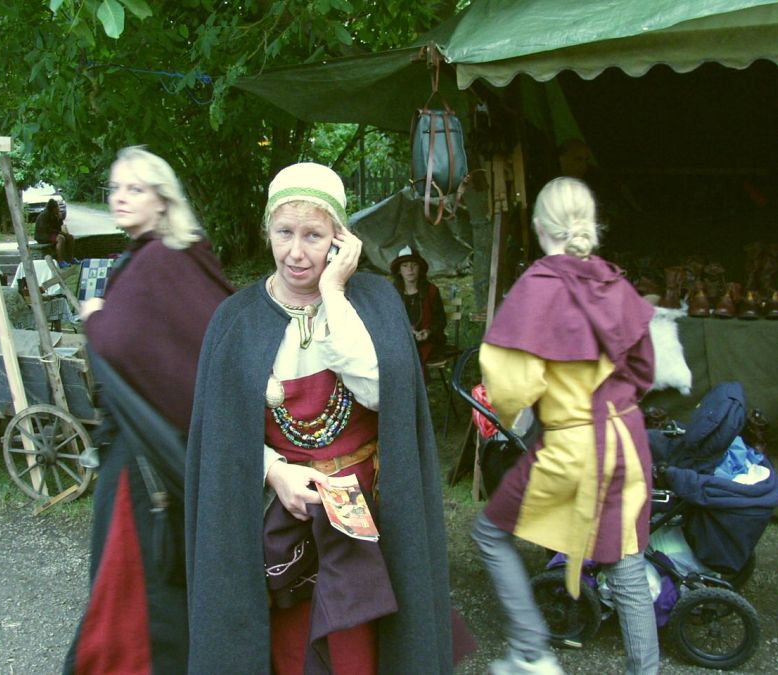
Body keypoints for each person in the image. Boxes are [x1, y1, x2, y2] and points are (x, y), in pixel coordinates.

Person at [185, 162, 456, 673]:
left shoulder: (373, 302)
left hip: (366, 514)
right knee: (292, 649)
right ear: (267, 231)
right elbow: (219, 435)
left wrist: (333, 292)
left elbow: (382, 395)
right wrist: (274, 471)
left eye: (313, 235)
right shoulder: (236, 321)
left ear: (340, 239)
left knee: (361, 650)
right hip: (284, 514)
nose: (296, 251)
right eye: (284, 232)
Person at [471, 177, 659, 675]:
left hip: (573, 444)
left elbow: (511, 386)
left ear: (539, 227)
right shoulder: (614, 283)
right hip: (628, 439)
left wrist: (516, 415)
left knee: (489, 533)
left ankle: (531, 652)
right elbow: (644, 370)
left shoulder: (538, 287)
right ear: (589, 224)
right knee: (626, 561)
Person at [63, 147, 233, 674]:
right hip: (163, 446)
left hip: (145, 457)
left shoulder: (159, 261)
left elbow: (122, 343)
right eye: (115, 188)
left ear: (162, 200)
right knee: (161, 576)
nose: (120, 197)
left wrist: (94, 316)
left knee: (137, 581)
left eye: (134, 188)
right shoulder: (175, 254)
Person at [390, 244, 447, 367]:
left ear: (420, 268)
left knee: (411, 354)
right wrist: (407, 330)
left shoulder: (431, 291)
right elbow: (388, 319)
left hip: (428, 341)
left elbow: (440, 320)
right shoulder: (393, 292)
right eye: (405, 266)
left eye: (414, 265)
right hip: (401, 340)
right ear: (399, 271)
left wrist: (428, 331)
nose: (410, 269)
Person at [34, 198, 75, 263]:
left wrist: (59, 219)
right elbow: (47, 230)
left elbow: (58, 228)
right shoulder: (44, 215)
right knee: (60, 238)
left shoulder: (55, 215)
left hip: (50, 235)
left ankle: (70, 259)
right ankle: (60, 261)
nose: (58, 209)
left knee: (70, 237)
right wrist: (60, 233)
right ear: (53, 208)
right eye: (57, 207)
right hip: (42, 236)